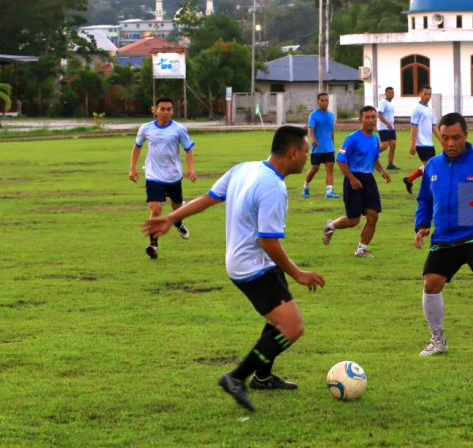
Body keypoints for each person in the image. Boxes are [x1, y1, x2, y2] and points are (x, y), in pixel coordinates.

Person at [142, 126, 325, 412]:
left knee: (279, 315)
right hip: (253, 267)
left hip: (248, 262)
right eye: (305, 152)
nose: (306, 158)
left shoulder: (244, 168)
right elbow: (269, 243)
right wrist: (298, 273)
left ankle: (263, 377)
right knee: (292, 326)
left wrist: (171, 218)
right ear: (292, 152)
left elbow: (207, 198)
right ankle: (236, 377)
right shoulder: (273, 188)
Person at [413, 112, 473, 357]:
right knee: (431, 284)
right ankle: (438, 339)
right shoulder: (433, 165)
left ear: (466, 135)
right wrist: (422, 224)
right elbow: (424, 199)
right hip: (445, 236)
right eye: (444, 138)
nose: (450, 143)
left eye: (455, 138)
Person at [129, 97, 196, 259]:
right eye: (163, 109)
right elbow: (137, 147)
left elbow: (188, 149)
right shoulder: (146, 128)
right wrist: (132, 168)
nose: (166, 112)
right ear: (156, 110)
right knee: (156, 209)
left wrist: (190, 169)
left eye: (169, 109)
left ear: (172, 111)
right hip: (153, 175)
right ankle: (153, 245)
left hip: (173, 176)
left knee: (177, 209)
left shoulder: (179, 129)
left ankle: (178, 222)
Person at [322, 106, 391, 258]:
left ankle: (361, 250)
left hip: (369, 180)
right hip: (354, 179)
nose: (371, 120)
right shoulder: (352, 138)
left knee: (373, 215)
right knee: (353, 220)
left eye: (373, 117)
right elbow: (340, 160)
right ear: (361, 120)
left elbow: (374, 158)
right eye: (367, 117)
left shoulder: (374, 139)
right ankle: (330, 226)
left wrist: (382, 171)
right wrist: (352, 179)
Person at [403, 85, 441, 195]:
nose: (427, 96)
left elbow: (434, 126)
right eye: (425, 94)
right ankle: (430, 192)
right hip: (421, 144)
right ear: (420, 94)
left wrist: (441, 140)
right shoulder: (417, 109)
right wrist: (413, 143)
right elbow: (413, 126)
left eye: (429, 94)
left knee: (428, 167)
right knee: (432, 168)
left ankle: (409, 179)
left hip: (429, 144)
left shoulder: (429, 109)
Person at [303, 92, 340, 199]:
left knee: (330, 169)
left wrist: (332, 144)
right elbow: (310, 129)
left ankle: (329, 191)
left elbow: (331, 131)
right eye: (322, 100)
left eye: (326, 100)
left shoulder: (331, 115)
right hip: (317, 148)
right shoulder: (313, 115)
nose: (325, 102)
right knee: (314, 169)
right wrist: (313, 139)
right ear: (318, 102)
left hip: (329, 148)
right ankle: (306, 185)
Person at [377, 87, 399, 170]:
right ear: (385, 93)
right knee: (384, 146)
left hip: (391, 127)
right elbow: (379, 114)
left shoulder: (391, 103)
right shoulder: (383, 102)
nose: (391, 94)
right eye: (389, 92)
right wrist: (386, 123)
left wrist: (390, 124)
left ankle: (390, 164)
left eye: (392, 92)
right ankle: (370, 155)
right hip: (383, 127)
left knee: (393, 145)